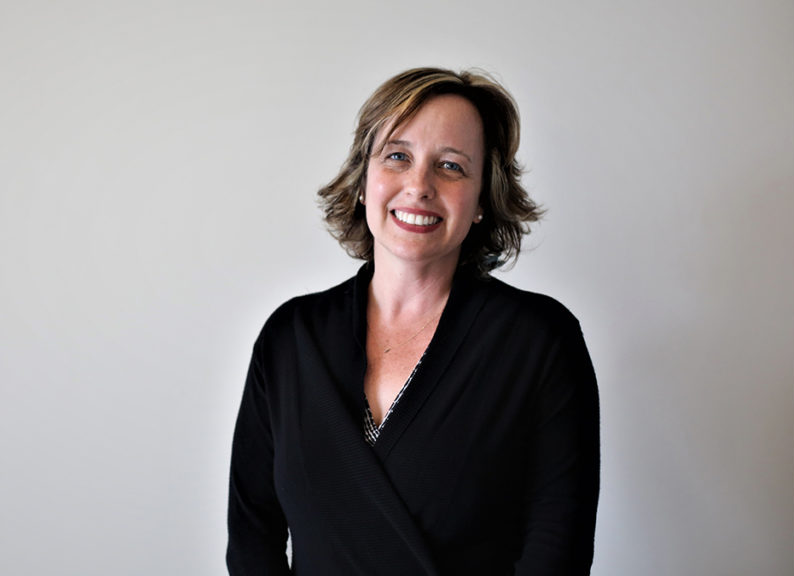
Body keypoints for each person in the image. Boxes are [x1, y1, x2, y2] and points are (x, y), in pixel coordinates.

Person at [226, 67, 600, 575]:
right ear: (363, 181)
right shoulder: (290, 338)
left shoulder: (539, 342)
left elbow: (557, 552)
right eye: (397, 156)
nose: (419, 185)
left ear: (482, 203)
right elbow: (253, 538)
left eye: (450, 166)